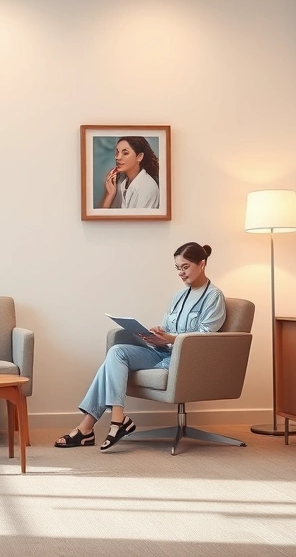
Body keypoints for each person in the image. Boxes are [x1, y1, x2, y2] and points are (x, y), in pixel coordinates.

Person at [55, 242, 226, 451]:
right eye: (177, 268)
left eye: (185, 267)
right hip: (163, 352)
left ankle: (89, 428)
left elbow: (206, 337)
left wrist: (170, 339)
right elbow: (170, 327)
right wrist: (158, 333)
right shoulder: (179, 296)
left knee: (111, 364)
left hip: (185, 360)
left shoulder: (214, 297)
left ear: (202, 264)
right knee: (117, 352)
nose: (180, 273)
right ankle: (116, 420)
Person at [98, 136, 161, 209]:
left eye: (125, 153)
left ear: (139, 157)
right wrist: (109, 195)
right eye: (117, 152)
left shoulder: (147, 188)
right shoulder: (120, 181)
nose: (117, 157)